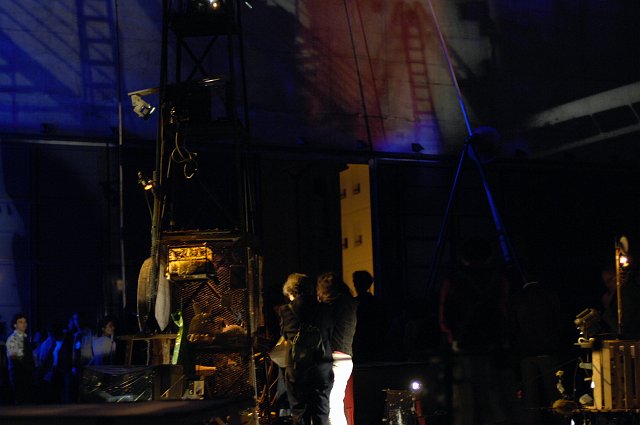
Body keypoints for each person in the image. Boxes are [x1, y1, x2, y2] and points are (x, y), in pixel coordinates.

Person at [438, 237, 510, 425]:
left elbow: (445, 314)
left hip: (464, 345)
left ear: (463, 257)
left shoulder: (454, 280)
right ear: (488, 256)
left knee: (465, 398)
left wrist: (452, 338)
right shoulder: (497, 280)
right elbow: (503, 312)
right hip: (492, 345)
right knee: (492, 396)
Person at [279, 273, 334, 425]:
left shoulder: (285, 310)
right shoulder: (325, 308)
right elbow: (330, 332)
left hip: (297, 367)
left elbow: (284, 334)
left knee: (299, 411)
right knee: (321, 410)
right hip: (321, 365)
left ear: (291, 291)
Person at [509, 278, 564, 425]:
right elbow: (558, 322)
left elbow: (513, 327)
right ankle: (559, 421)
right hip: (548, 350)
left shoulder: (517, 298)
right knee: (554, 394)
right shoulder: (549, 295)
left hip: (526, 353)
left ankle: (533, 422)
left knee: (531, 397)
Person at [317, 272, 357, 425]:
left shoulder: (333, 305)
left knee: (331, 407)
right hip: (345, 357)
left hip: (334, 357)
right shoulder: (349, 303)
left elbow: (323, 331)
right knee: (335, 404)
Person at [351, 270, 387, 362]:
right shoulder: (376, 303)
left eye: (355, 282)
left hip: (359, 341)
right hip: (374, 342)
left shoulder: (353, 303)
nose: (354, 285)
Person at [5, 312, 35, 404]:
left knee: (26, 399)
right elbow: (14, 358)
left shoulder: (24, 338)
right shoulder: (13, 338)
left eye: (25, 322)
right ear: (15, 325)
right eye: (20, 322)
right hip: (19, 373)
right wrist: (25, 367)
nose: (24, 324)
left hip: (26, 372)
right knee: (21, 398)